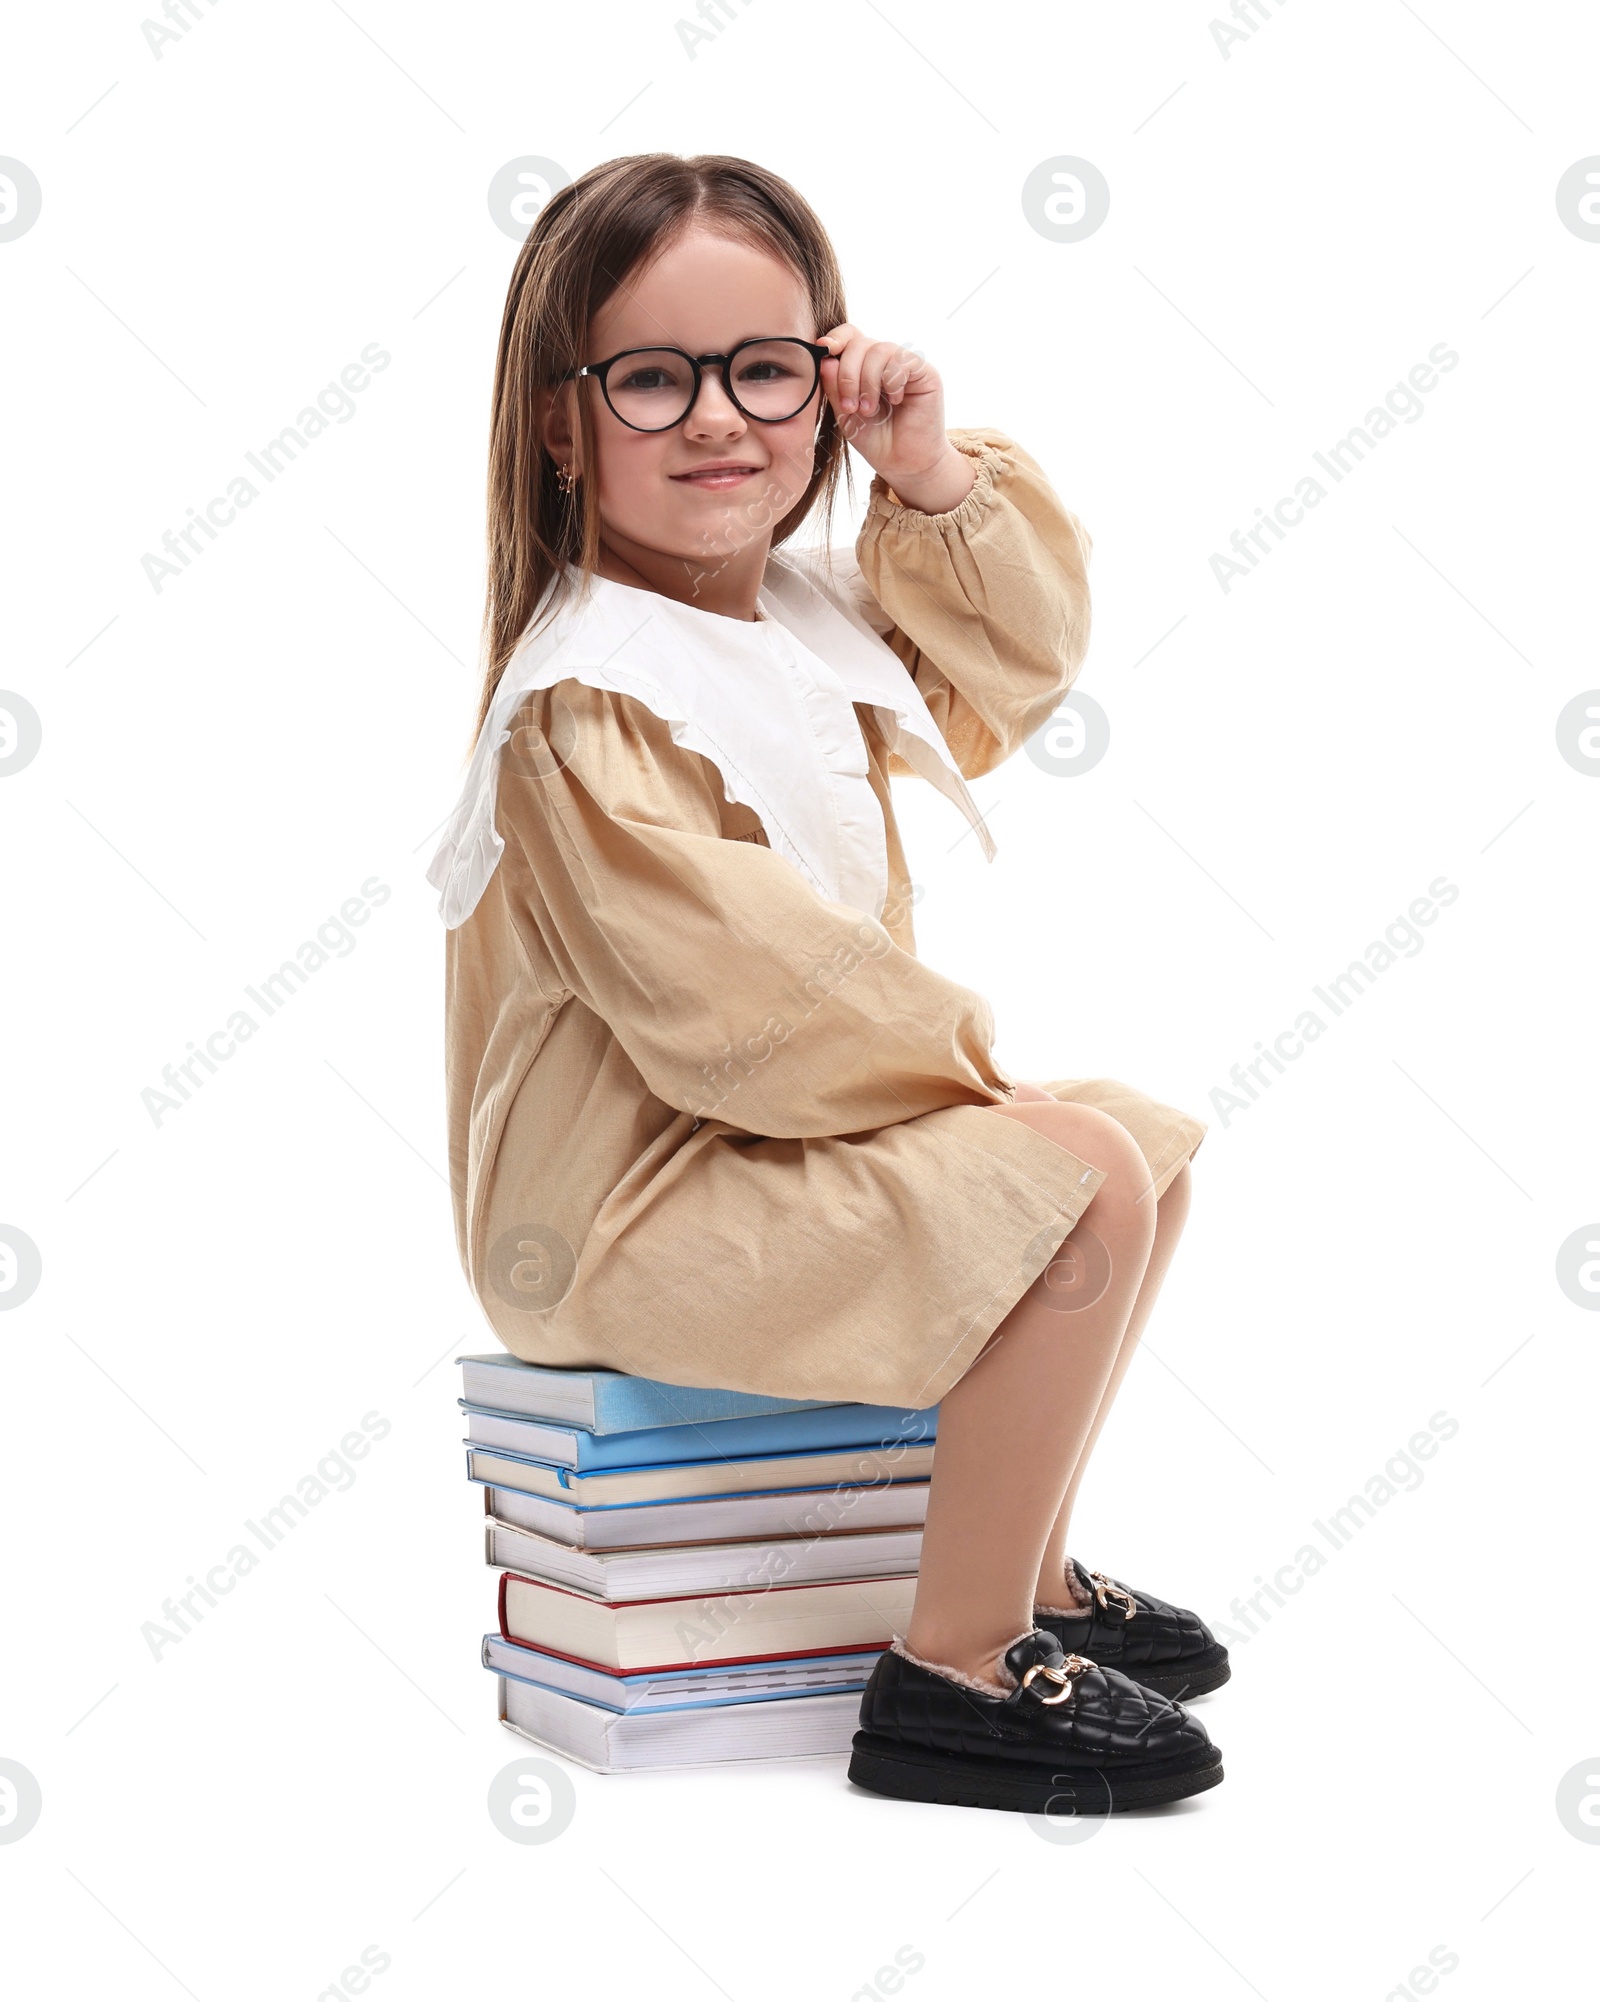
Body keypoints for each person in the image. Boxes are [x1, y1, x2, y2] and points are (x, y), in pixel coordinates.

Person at [429, 152, 1224, 1814]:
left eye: (763, 370)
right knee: (1074, 1173)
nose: (718, 418)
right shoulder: (589, 694)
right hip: (620, 1208)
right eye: (653, 378)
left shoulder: (801, 617)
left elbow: (1011, 666)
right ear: (564, 423)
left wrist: (924, 470)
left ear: (821, 383)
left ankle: (1031, 1578)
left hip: (767, 1140)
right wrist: (986, 1089)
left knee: (1142, 1143)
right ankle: (950, 1669)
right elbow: (742, 1008)